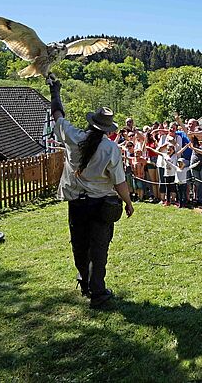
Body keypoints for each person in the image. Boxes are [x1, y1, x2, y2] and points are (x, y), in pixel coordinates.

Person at [47, 77, 134, 309]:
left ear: (91, 122)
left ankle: (85, 283)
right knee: (98, 248)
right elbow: (119, 182)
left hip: (76, 204)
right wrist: (128, 203)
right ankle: (98, 292)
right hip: (100, 204)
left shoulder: (73, 137)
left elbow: (57, 114)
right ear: (108, 129)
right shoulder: (111, 148)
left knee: (79, 244)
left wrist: (55, 92)